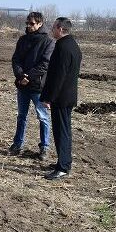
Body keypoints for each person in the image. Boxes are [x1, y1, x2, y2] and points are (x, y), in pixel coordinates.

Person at [9, 12, 55, 161]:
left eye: (32, 24)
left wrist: (28, 77)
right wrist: (21, 76)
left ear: (40, 24)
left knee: (42, 117)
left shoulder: (48, 42)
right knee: (21, 116)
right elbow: (16, 59)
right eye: (27, 23)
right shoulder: (22, 40)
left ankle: (44, 147)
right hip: (22, 86)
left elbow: (45, 64)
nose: (29, 26)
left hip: (37, 87)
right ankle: (18, 143)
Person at [40, 17, 82, 180]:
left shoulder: (63, 47)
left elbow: (59, 76)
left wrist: (49, 98)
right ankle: (63, 161)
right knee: (63, 131)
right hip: (66, 96)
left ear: (60, 28)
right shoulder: (72, 45)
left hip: (61, 98)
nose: (51, 29)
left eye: (53, 27)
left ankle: (63, 167)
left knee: (61, 132)